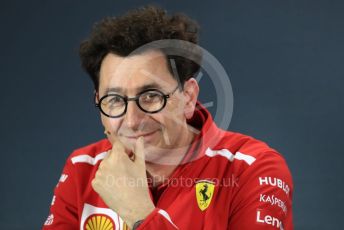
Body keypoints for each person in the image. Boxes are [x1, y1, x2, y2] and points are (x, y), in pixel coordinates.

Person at [43, 6, 293, 230]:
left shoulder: (253, 168)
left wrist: (140, 213)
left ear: (188, 97)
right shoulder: (82, 167)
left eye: (150, 96)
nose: (131, 121)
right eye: (115, 100)